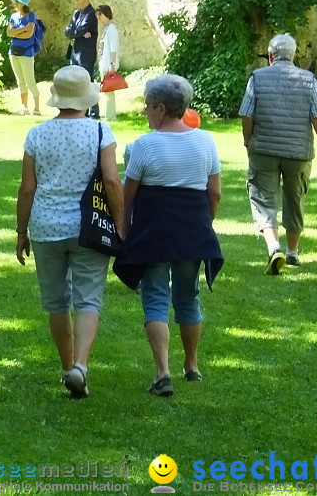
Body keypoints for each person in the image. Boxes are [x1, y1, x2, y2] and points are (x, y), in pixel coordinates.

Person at [15, 65, 124, 399]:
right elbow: (110, 180)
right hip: (87, 226)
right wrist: (120, 223)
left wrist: (22, 231)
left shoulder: (36, 135)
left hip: (46, 225)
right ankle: (80, 366)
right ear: (86, 97)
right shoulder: (101, 133)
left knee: (56, 302)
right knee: (88, 298)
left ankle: (67, 370)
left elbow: (27, 189)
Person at [113, 75, 223, 397]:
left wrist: (125, 231)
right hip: (191, 233)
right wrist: (204, 223)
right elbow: (214, 193)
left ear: (160, 108)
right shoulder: (206, 141)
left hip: (154, 234)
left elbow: (128, 195)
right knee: (188, 296)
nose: (146, 111)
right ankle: (191, 366)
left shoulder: (145, 146)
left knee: (156, 297)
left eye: (147, 106)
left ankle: (163, 373)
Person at [239, 33, 317, 273]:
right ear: (294, 56)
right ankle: (292, 253)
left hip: (264, 150)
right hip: (298, 152)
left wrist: (248, 140)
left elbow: (246, 114)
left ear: (270, 56)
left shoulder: (257, 78)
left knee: (263, 198)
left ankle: (274, 248)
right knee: (295, 199)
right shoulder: (309, 80)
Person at [64, 0, 98, 117]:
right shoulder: (77, 13)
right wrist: (77, 33)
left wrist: (77, 32)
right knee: (76, 82)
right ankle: (79, 110)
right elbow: (68, 31)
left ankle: (93, 112)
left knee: (87, 83)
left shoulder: (91, 13)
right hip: (75, 53)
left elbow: (81, 29)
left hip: (85, 54)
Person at [6, 0, 41, 115]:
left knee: (30, 80)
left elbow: (29, 34)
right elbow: (8, 33)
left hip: (27, 52)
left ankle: (36, 108)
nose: (15, 3)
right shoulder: (13, 16)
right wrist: (22, 30)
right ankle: (24, 107)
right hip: (13, 51)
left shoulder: (31, 16)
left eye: (17, 1)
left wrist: (16, 32)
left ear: (23, 4)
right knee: (20, 80)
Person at [96, 5, 120, 121]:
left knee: (109, 90)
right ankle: (108, 114)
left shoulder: (111, 28)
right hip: (104, 63)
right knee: (106, 90)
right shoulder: (107, 29)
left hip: (108, 64)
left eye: (100, 16)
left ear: (105, 14)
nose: (99, 19)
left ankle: (110, 116)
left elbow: (113, 47)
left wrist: (112, 64)